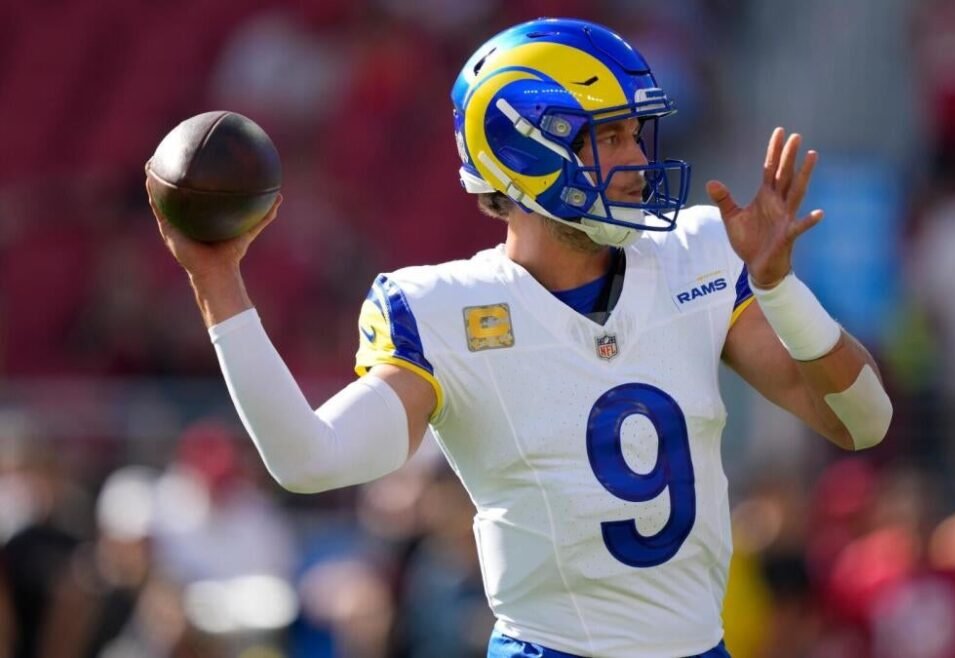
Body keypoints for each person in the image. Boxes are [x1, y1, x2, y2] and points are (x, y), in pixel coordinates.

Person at [148, 18, 893, 658]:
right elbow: (310, 460)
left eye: (636, 134)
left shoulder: (697, 254)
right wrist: (218, 282)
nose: (638, 161)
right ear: (528, 151)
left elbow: (863, 421)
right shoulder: (444, 309)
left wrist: (779, 288)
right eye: (610, 137)